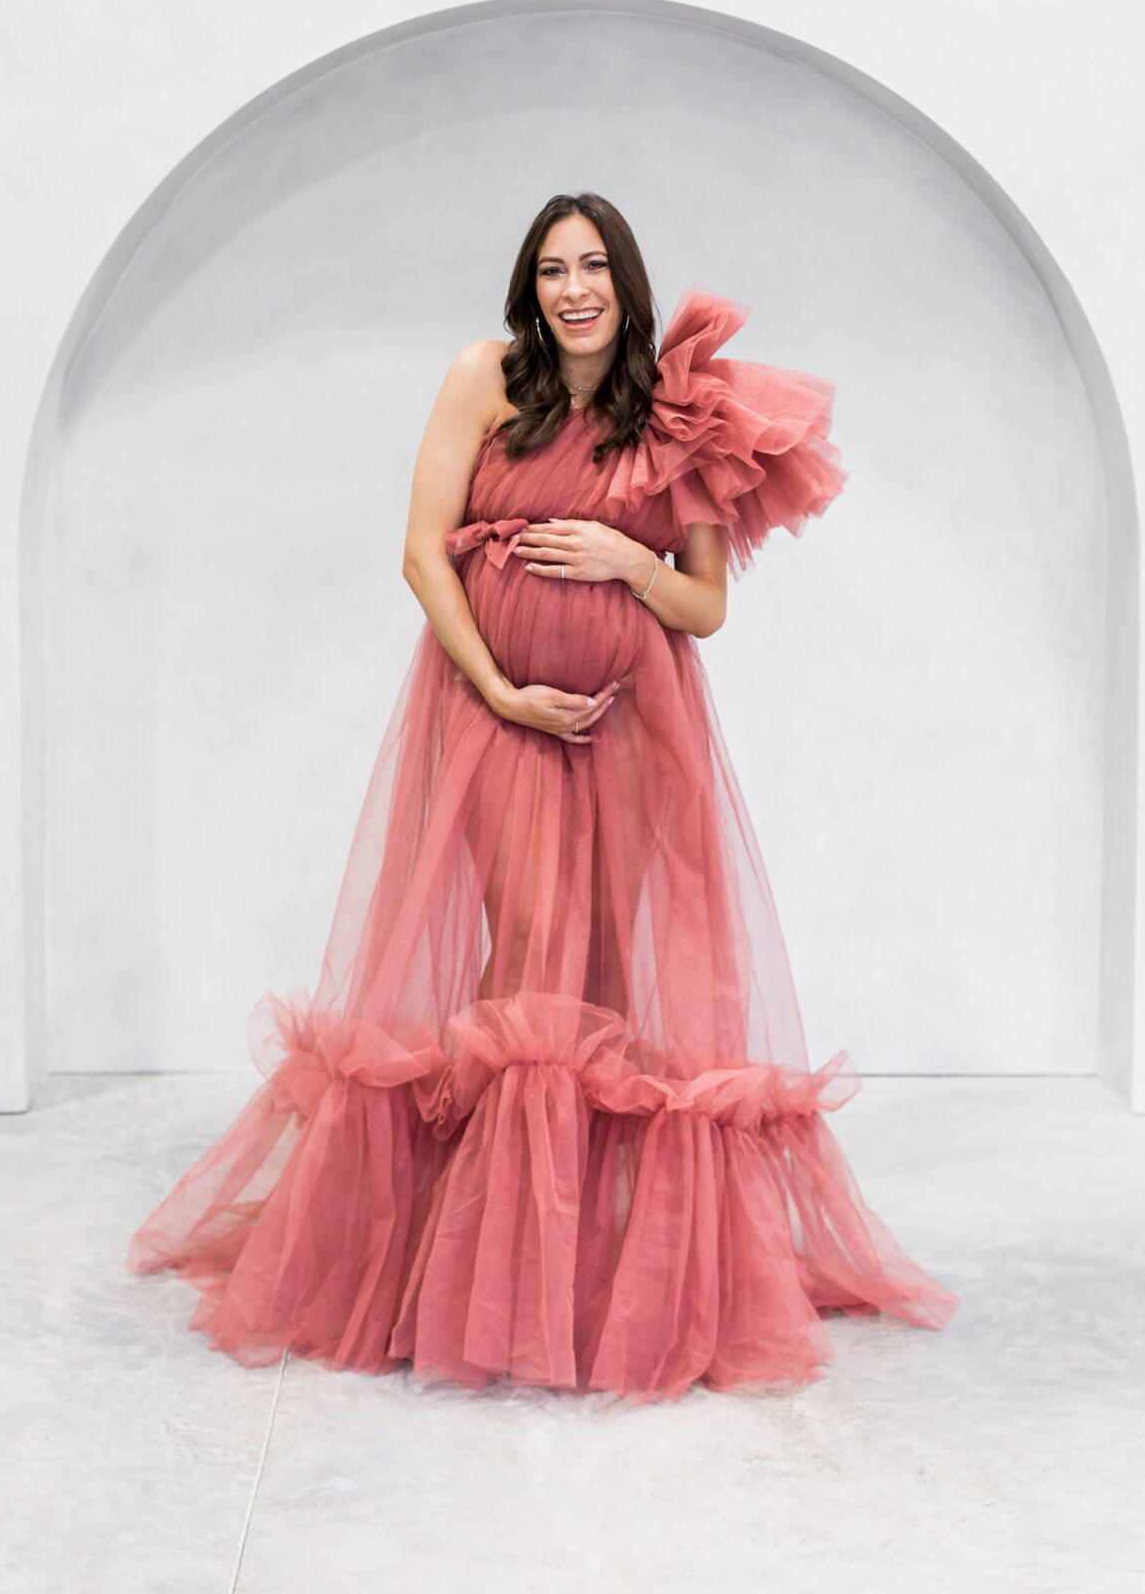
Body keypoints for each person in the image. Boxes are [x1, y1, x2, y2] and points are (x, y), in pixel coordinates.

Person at [127, 191, 959, 1402]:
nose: (575, 288)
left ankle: (590, 1262)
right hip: (493, 723)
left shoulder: (674, 419)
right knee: (520, 974)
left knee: (613, 986)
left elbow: (706, 605)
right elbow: (422, 550)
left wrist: (632, 561)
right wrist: (503, 690)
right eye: (553, 267)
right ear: (529, 285)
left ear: (625, 281)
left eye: (594, 267)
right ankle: (485, 1273)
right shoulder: (485, 379)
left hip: (634, 730)